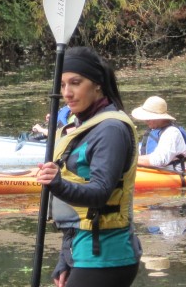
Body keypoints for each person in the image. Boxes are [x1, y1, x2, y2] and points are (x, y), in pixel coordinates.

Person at [35, 46, 140, 287]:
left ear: (97, 85)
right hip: (82, 250)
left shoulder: (111, 129)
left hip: (108, 256)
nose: (67, 93)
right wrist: (66, 256)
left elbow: (100, 194)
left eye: (75, 83)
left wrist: (57, 184)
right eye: (62, 85)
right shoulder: (79, 125)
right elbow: (76, 216)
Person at [131, 96, 186, 172]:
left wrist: (130, 160)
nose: (146, 121)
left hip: (170, 173)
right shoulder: (153, 129)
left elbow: (160, 160)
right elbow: (141, 149)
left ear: (161, 118)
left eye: (149, 118)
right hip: (151, 171)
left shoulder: (171, 132)